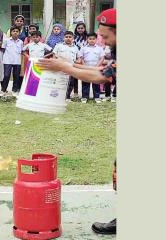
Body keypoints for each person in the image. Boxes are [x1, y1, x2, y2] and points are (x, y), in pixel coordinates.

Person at [36, 8, 117, 234]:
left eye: (107, 36)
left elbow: (101, 77)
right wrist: (66, 63)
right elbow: (100, 68)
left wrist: (65, 67)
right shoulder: (115, 50)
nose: (104, 41)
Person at [77, 32, 105, 103]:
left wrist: (97, 66)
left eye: (93, 39)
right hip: (86, 68)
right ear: (87, 39)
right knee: (85, 83)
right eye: (90, 39)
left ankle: (97, 97)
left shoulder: (99, 48)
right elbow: (81, 57)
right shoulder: (83, 48)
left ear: (96, 39)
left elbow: (102, 58)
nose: (92, 40)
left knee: (96, 83)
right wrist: (85, 66)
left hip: (96, 69)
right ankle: (84, 97)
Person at [52, 31, 80, 101]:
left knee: (70, 84)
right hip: (60, 68)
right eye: (66, 37)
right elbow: (54, 56)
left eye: (70, 37)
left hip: (71, 68)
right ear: (63, 38)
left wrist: (76, 62)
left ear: (73, 38)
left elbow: (79, 58)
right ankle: (58, 96)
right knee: (60, 83)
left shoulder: (75, 48)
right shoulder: (58, 46)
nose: (68, 38)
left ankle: (67, 97)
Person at [1, 26, 23, 95]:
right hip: (7, 61)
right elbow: (3, 49)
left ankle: (14, 91)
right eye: (13, 31)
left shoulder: (21, 42)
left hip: (17, 61)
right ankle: (3, 90)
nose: (15, 33)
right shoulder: (6, 40)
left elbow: (21, 51)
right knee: (6, 75)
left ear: (19, 33)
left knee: (16, 76)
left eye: (17, 31)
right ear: (11, 32)